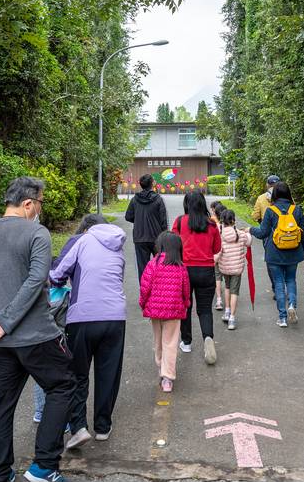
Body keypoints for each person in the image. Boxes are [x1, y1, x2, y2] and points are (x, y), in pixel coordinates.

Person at [0, 176, 75, 482]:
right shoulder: (36, 232)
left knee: (1, 403)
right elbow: (37, 279)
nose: (41, 209)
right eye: (41, 203)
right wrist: (6, 321)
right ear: (28, 203)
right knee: (63, 386)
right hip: (36, 336)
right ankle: (44, 466)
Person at [49, 220, 127, 448]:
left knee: (78, 373)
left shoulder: (80, 240)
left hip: (82, 316)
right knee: (108, 373)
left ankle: (79, 426)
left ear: (86, 228)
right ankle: (103, 427)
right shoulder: (118, 246)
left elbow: (56, 274)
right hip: (114, 317)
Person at [32, 213, 106, 424]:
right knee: (65, 368)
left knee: (43, 366)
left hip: (37, 320)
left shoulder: (68, 249)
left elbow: (56, 275)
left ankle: (41, 412)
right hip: (72, 318)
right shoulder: (97, 246)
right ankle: (62, 419)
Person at [249, 181, 304, 327]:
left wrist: (250, 229)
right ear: (288, 193)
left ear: (274, 194)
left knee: (278, 283)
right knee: (291, 280)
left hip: (275, 253)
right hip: (294, 252)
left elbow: (263, 233)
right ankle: (292, 306)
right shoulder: (297, 210)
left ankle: (282, 318)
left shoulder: (271, 211)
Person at [172, 191, 222, 365]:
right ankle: (208, 338)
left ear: (186, 204)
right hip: (206, 272)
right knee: (205, 309)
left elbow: (172, 246)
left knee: (186, 307)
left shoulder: (180, 222)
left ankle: (186, 342)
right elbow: (216, 249)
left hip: (185, 271)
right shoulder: (212, 225)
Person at [138, 232, 191, 392]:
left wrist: (143, 304)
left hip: (155, 310)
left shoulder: (153, 264)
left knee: (158, 340)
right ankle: (168, 378)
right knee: (170, 342)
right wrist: (185, 304)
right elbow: (186, 290)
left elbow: (145, 287)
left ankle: (160, 367)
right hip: (174, 310)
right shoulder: (180, 266)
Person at [124, 174, 168, 280]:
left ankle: (144, 293)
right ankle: (158, 291)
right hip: (157, 238)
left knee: (143, 268)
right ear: (152, 184)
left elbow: (128, 216)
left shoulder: (135, 199)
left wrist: (139, 219)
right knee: (160, 265)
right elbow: (163, 221)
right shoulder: (158, 199)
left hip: (140, 237)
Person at [215, 209, 251, 331]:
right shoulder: (240, 234)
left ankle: (227, 311)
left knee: (227, 288)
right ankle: (232, 318)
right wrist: (247, 232)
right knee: (234, 292)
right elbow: (249, 242)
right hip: (237, 268)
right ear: (233, 220)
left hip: (224, 267)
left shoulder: (220, 234)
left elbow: (218, 252)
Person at [210, 201, 227, 311]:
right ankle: (228, 303)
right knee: (227, 279)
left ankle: (219, 300)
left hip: (216, 254)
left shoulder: (213, 226)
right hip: (227, 256)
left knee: (217, 277)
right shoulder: (229, 226)